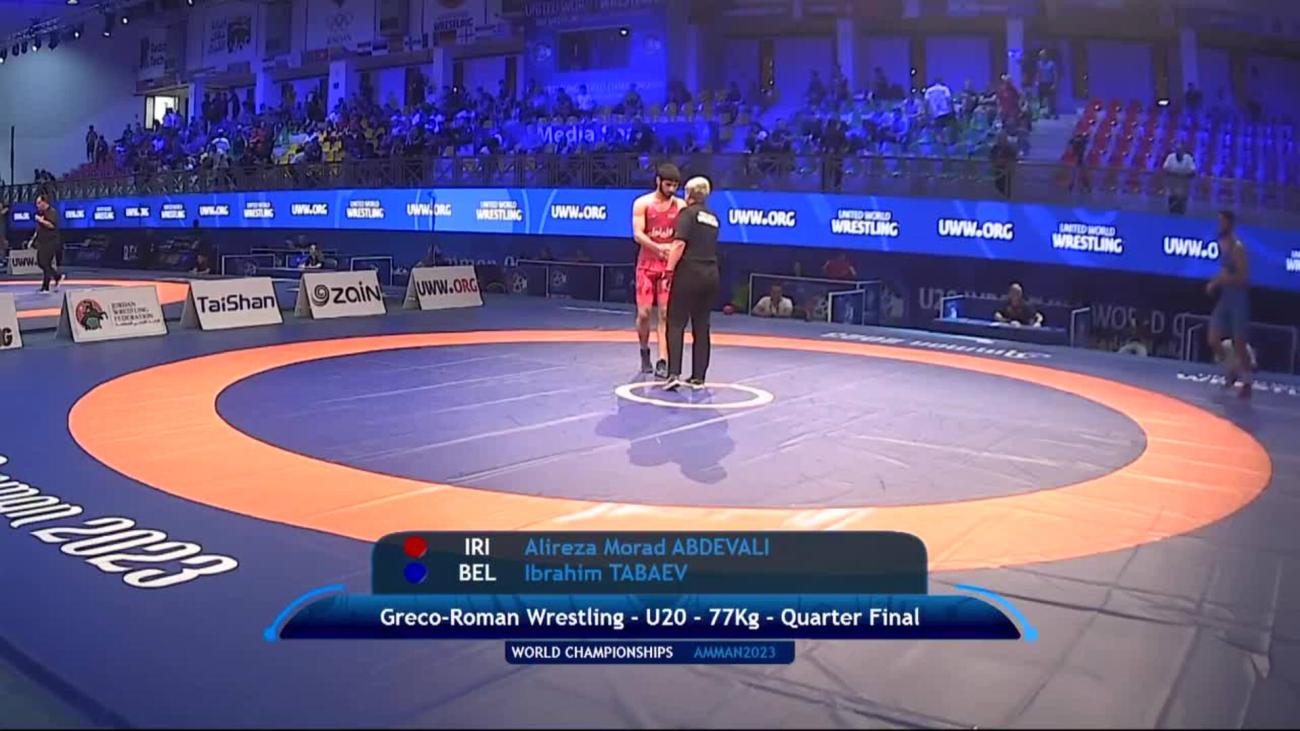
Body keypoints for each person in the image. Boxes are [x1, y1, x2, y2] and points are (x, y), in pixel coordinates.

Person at [663, 176, 721, 390]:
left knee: (675, 322)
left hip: (689, 273)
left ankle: (673, 374)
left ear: (689, 194)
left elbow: (679, 244)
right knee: (702, 325)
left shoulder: (687, 214)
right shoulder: (713, 217)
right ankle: (698, 377)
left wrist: (669, 269)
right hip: (710, 274)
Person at [631, 163, 685, 377]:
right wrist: (658, 248)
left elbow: (682, 235)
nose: (671, 189)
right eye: (668, 185)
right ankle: (644, 351)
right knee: (644, 314)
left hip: (667, 267)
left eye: (675, 186)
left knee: (664, 314)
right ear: (658, 182)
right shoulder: (643, 203)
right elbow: (638, 234)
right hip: (646, 265)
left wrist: (671, 249)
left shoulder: (680, 206)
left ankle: (663, 359)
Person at [1207, 210, 1252, 398]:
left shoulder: (1237, 248)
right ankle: (1232, 368)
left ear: (1230, 224)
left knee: (1239, 343)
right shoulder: (1222, 245)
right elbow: (1225, 271)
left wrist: (1222, 280)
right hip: (1225, 298)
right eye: (1219, 222)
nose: (1220, 225)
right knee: (1213, 339)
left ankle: (1247, 381)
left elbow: (1243, 277)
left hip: (1238, 300)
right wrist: (1215, 282)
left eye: (1222, 222)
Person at [32, 194, 63, 293]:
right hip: (42, 241)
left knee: (45, 263)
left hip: (51, 242)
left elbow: (51, 225)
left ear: (44, 202)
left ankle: (45, 287)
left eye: (39, 203)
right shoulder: (42, 213)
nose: (37, 205)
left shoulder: (52, 212)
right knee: (41, 262)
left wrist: (41, 220)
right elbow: (39, 228)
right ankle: (57, 276)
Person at [1163, 142, 1197, 215]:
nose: (1179, 151)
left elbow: (1193, 170)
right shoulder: (1170, 157)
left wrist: (1184, 174)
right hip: (1172, 181)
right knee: (1172, 196)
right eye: (1178, 149)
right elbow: (1165, 167)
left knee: (1182, 198)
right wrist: (1174, 173)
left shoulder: (1188, 158)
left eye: (1181, 149)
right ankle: (1171, 210)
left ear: (1183, 150)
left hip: (1184, 181)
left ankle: (1181, 211)